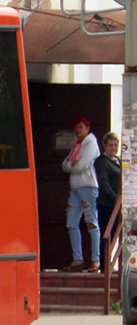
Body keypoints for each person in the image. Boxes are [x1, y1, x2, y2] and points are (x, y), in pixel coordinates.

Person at [61, 116, 100, 271]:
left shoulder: (91, 143)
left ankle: (95, 260)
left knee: (91, 222)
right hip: (75, 188)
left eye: (81, 127)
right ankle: (78, 259)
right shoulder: (76, 146)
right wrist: (71, 164)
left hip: (88, 187)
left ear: (87, 128)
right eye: (76, 128)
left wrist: (71, 165)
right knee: (71, 223)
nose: (78, 131)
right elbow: (65, 164)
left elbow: (81, 166)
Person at [94, 132, 122, 272]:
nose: (113, 148)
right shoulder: (102, 162)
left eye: (115, 145)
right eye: (110, 145)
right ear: (104, 146)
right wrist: (116, 199)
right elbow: (104, 184)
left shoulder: (117, 160)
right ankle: (105, 265)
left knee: (114, 234)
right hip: (107, 205)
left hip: (117, 205)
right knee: (107, 234)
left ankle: (109, 263)